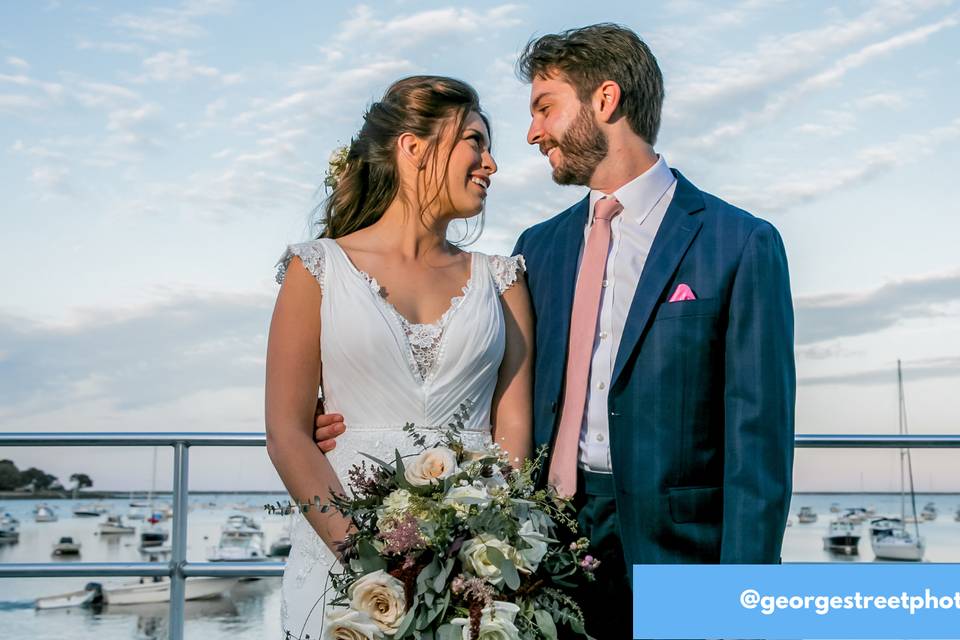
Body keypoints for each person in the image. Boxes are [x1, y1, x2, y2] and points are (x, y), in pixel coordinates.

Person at [266, 75, 534, 639]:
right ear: (413, 147)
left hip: (472, 570)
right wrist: (368, 562)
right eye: (475, 141)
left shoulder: (502, 279)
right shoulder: (317, 269)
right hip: (345, 562)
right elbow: (288, 433)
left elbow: (513, 430)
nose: (490, 163)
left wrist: (490, 549)